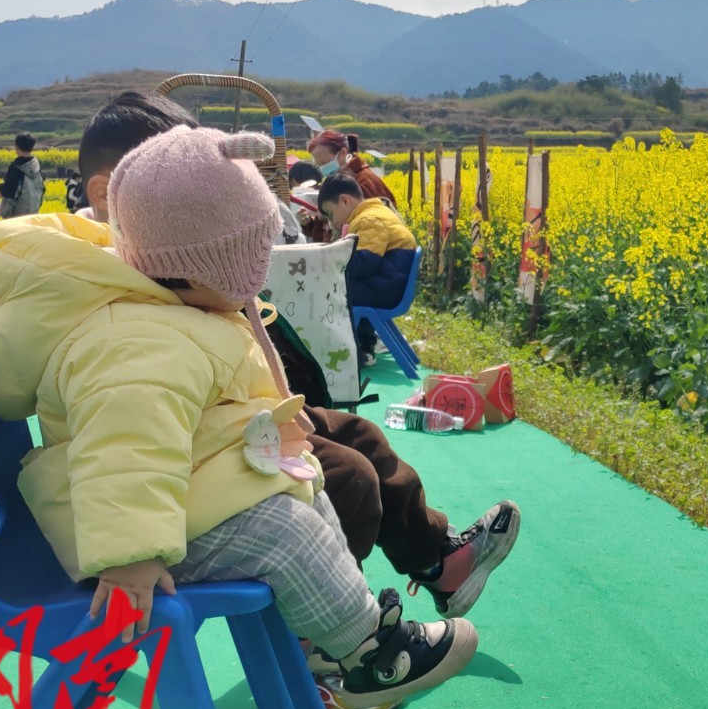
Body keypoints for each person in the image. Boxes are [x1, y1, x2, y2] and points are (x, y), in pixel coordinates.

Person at [0, 125, 480, 709]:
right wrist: (131, 557)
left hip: (184, 495)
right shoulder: (135, 341)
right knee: (284, 531)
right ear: (192, 268)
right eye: (247, 264)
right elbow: (126, 453)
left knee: (306, 489)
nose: (257, 278)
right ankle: (369, 656)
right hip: (131, 536)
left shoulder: (166, 307)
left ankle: (337, 640)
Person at [71, 92, 519, 635]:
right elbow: (129, 436)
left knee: (358, 434)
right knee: (347, 478)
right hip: (199, 453)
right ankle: (326, 637)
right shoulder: (108, 289)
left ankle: (436, 560)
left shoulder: (157, 265)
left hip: (222, 419)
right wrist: (131, 548)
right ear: (109, 192)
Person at [317, 173, 417, 370]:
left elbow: (365, 263)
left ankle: (359, 348)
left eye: (331, 213)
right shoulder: (376, 212)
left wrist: (333, 261)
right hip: (389, 284)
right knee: (347, 290)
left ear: (344, 200)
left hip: (385, 289)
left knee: (333, 292)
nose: (332, 221)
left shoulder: (369, 219)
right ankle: (364, 345)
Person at [308, 129, 397, 209]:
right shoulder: (336, 181)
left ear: (343, 153)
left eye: (325, 163)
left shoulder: (365, 182)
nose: (323, 168)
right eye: (319, 165)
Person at [0, 133, 44, 222]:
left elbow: (9, 191)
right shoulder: (36, 167)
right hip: (33, 215)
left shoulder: (16, 167)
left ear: (17, 147)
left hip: (17, 217)